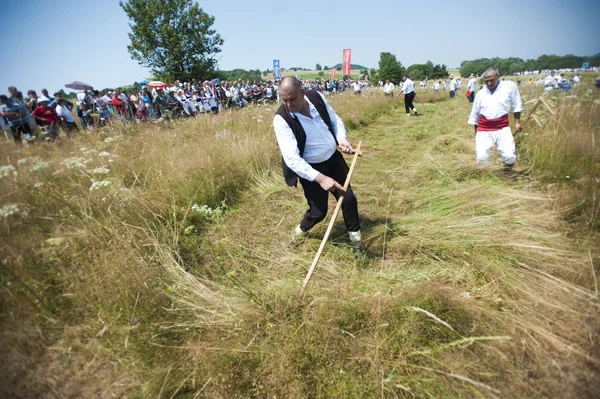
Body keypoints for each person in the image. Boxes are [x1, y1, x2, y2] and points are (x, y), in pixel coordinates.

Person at [272, 77, 363, 256]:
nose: (288, 104)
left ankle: (356, 243)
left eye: (292, 99)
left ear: (303, 93)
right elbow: (291, 159)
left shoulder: (316, 97)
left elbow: (334, 120)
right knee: (318, 212)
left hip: (333, 159)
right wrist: (321, 178)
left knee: (348, 199)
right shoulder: (281, 119)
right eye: (284, 100)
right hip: (311, 169)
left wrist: (341, 138)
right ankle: (298, 233)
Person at [467, 67, 523, 170]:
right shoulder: (481, 94)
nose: (489, 83)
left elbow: (516, 104)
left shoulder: (509, 87)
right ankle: (485, 177)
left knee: (509, 156)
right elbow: (475, 114)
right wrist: (476, 132)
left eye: (491, 80)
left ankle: (507, 172)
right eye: (486, 81)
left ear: (498, 76)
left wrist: (517, 122)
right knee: (481, 158)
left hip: (502, 127)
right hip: (484, 128)